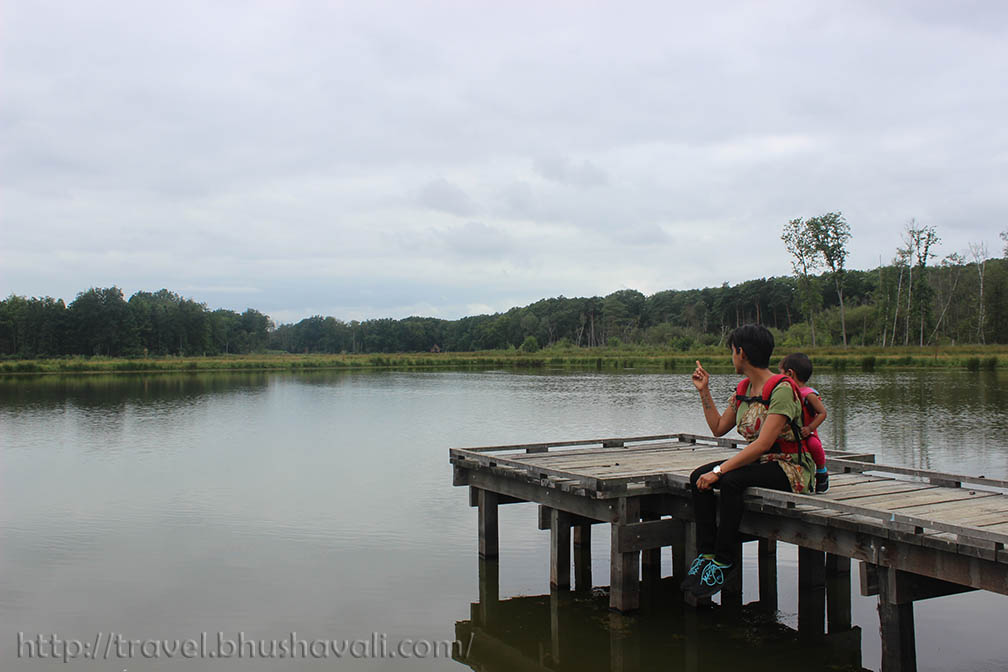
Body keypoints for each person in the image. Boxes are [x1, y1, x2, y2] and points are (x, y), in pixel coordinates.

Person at [682, 324, 814, 599]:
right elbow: (719, 428)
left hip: (790, 467)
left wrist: (719, 471)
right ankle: (706, 554)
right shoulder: (744, 388)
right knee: (697, 478)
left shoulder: (781, 389)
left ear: (741, 353)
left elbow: (764, 444)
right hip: (761, 463)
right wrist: (704, 391)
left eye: (732, 351)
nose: (732, 357)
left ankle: (724, 560)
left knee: (730, 480)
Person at [779, 352, 829, 493]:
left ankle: (822, 472)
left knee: (814, 445)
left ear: (790, 374)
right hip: (792, 433)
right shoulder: (785, 392)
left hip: (807, 432)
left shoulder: (809, 394)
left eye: (781, 373)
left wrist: (810, 427)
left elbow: (822, 413)